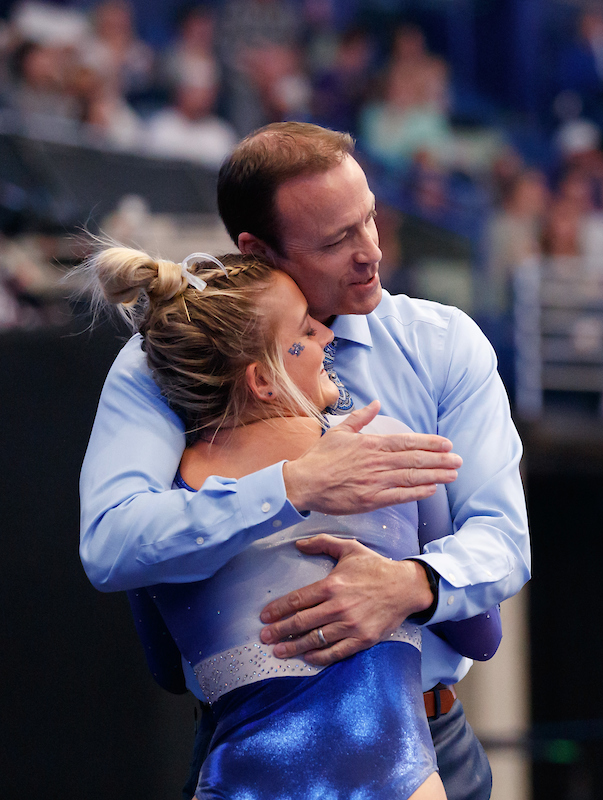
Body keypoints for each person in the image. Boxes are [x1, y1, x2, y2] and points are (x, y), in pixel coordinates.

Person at [79, 122, 529, 800]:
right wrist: (291, 485)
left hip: (430, 737)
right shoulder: (168, 360)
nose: (371, 252)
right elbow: (111, 544)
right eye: (336, 239)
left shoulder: (443, 344)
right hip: (252, 746)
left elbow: (504, 540)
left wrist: (410, 584)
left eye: (369, 219)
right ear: (257, 249)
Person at [88, 247, 446, 799]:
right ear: (263, 380)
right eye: (307, 329)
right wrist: (412, 587)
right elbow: (480, 632)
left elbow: (165, 669)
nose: (329, 338)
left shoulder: (167, 504)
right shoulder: (384, 450)